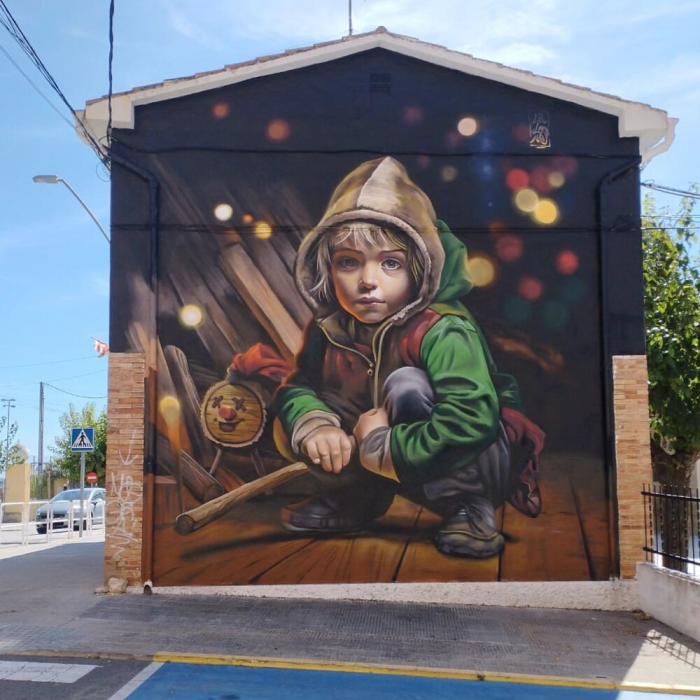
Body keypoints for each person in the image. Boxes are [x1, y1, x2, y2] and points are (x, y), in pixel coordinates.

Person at [273, 156, 544, 558]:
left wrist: (381, 444)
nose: (368, 281)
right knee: (304, 412)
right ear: (326, 269)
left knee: (406, 385)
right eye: (348, 262)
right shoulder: (330, 329)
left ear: (420, 268)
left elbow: (470, 420)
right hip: (383, 454)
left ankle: (468, 508)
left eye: (390, 263)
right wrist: (316, 426)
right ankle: (356, 497)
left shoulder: (443, 330)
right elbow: (297, 388)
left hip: (472, 459)